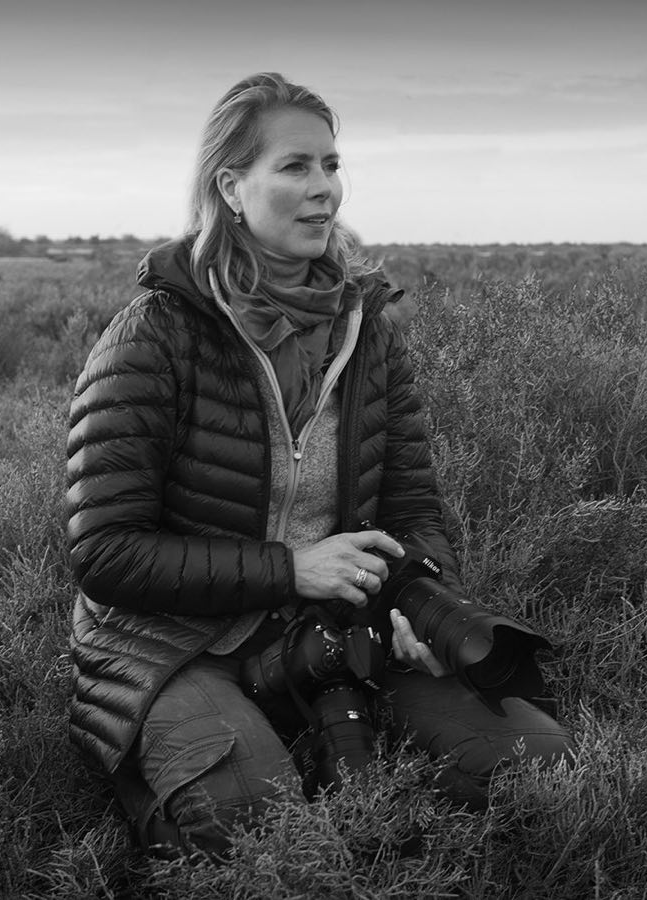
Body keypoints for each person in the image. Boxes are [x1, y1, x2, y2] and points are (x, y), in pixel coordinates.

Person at [65, 72, 573, 859]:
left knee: (538, 767)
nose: (324, 190)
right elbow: (104, 551)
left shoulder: (366, 329)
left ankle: (313, 717)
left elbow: (412, 508)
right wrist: (290, 568)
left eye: (332, 166)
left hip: (329, 625)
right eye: (295, 167)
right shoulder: (155, 335)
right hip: (169, 639)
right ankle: (212, 753)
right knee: (251, 823)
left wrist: (417, 599)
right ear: (231, 187)